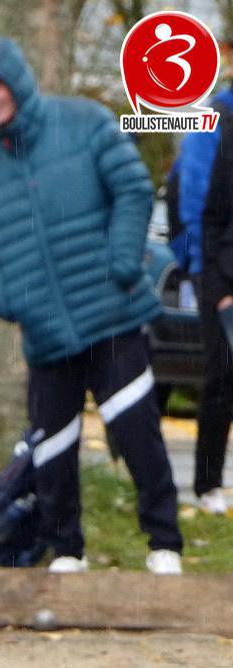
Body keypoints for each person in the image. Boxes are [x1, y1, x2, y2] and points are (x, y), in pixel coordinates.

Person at [0, 37, 184, 575]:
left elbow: (133, 188)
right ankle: (67, 551)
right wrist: (1, 295)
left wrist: (124, 264)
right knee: (53, 448)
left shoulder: (85, 122)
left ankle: (164, 544)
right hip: (44, 329)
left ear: (17, 78)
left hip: (113, 319)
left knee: (137, 434)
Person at [196, 88, 233, 516]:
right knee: (220, 382)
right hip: (224, 278)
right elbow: (210, 215)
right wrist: (218, 285)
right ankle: (209, 483)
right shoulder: (221, 130)